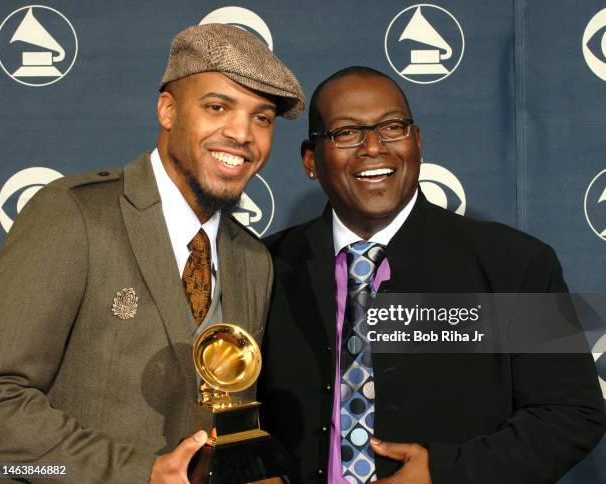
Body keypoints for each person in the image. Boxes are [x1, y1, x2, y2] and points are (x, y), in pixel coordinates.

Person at [258, 66, 605, 483]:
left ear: (417, 142)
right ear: (311, 161)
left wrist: (445, 473)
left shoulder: (517, 263)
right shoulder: (263, 267)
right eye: (346, 132)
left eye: (392, 127)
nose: (373, 147)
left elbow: (573, 413)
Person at [0, 24, 304, 483]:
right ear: (167, 109)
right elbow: (1, 401)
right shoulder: (74, 213)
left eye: (262, 118)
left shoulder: (253, 260)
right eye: (218, 106)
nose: (241, 133)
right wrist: (140, 474)